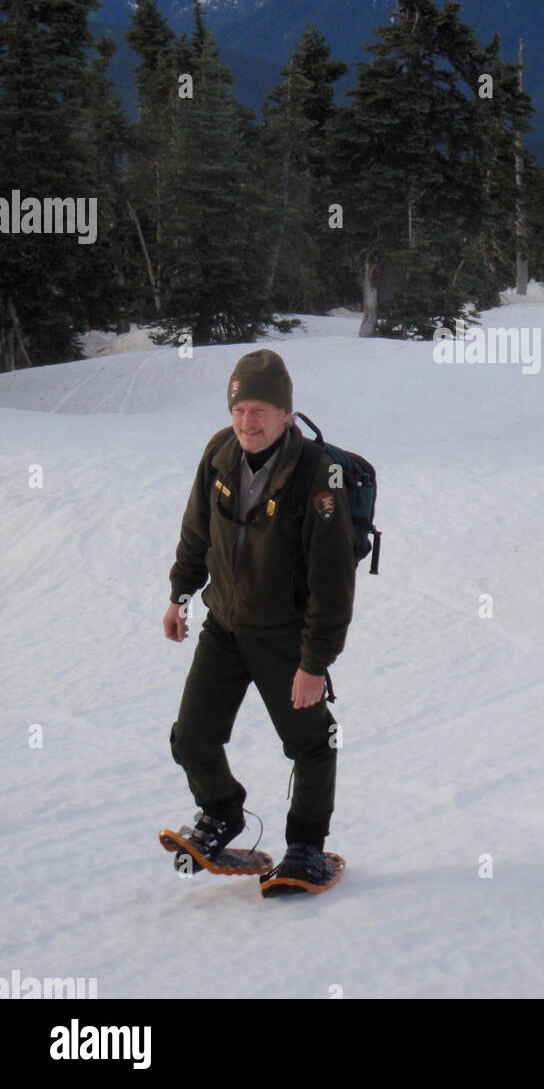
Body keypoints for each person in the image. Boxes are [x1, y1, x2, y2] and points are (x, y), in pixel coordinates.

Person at [162, 348, 356, 892]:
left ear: (285, 414)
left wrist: (314, 662)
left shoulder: (319, 475)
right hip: (223, 625)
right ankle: (223, 811)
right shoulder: (219, 453)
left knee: (313, 744)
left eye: (261, 411)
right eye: (240, 409)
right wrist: (180, 593)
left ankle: (306, 848)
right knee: (191, 737)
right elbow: (196, 530)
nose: (248, 422)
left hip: (286, 637)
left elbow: (334, 581)